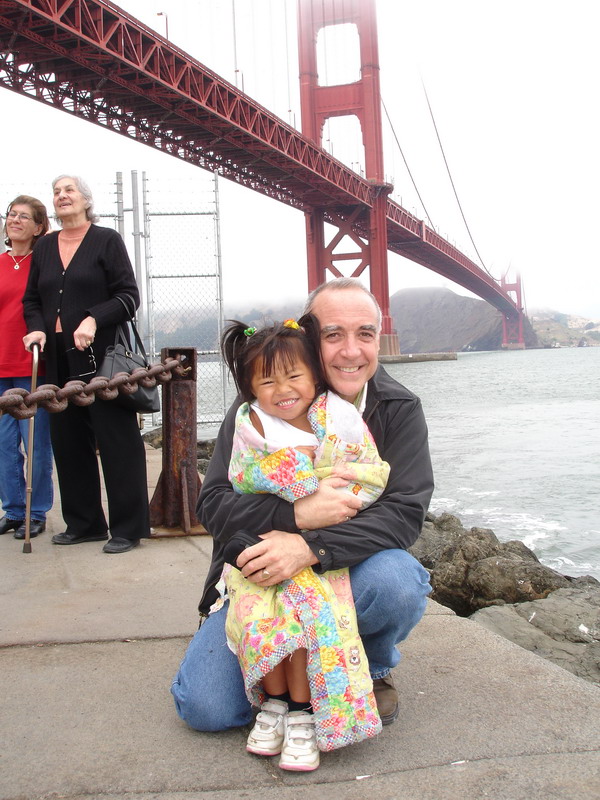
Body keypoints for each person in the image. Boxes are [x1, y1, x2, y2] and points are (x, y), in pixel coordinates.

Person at [172, 277, 433, 737]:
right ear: (311, 341)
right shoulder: (259, 408)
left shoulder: (398, 408)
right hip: (262, 578)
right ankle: (282, 661)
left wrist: (309, 546)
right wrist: (293, 516)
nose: (351, 351)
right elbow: (212, 503)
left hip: (344, 572)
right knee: (206, 709)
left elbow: (402, 514)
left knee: (398, 581)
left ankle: (368, 666)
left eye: (365, 334)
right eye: (334, 335)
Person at [218, 317, 389, 770]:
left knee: (306, 625)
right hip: (261, 548)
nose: (283, 389)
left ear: (314, 374)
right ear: (250, 387)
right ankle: (275, 703)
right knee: (258, 624)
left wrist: (318, 515)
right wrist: (298, 493)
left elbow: (371, 477)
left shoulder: (341, 420)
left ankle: (303, 713)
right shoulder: (248, 425)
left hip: (322, 553)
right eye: (267, 381)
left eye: (294, 376)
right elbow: (236, 483)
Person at [22, 175, 150, 554]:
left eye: (69, 191)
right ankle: (85, 523)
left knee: (117, 440)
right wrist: (35, 329)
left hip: (103, 356)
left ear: (86, 200)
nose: (62, 196)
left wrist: (93, 318)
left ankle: (128, 528)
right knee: (68, 440)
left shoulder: (106, 240)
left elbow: (129, 296)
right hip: (57, 356)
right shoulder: (44, 247)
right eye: (57, 192)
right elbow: (32, 300)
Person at [0, 196, 53, 539]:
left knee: (35, 443)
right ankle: (14, 510)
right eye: (10, 215)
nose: (14, 220)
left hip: (35, 364)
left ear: (38, 228)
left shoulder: (43, 265)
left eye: (24, 217)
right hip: (1, 364)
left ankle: (37, 512)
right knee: (4, 444)